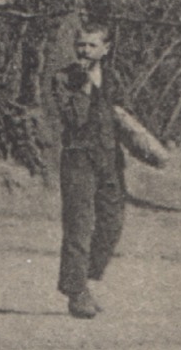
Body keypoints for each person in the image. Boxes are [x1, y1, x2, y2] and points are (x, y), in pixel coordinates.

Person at [52, 22, 130, 319]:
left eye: (92, 45)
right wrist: (84, 86)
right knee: (79, 227)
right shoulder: (62, 79)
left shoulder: (113, 77)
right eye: (81, 44)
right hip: (78, 161)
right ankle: (76, 292)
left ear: (106, 49)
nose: (84, 51)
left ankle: (85, 277)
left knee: (112, 224)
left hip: (109, 161)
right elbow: (75, 119)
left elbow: (125, 113)